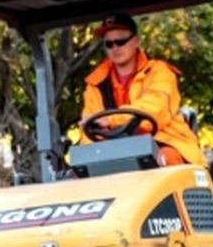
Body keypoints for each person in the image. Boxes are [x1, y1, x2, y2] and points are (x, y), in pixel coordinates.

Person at [80, 14, 205, 166]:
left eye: (120, 41)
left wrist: (111, 120)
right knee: (78, 174)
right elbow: (90, 127)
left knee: (164, 160)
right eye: (109, 44)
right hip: (116, 150)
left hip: (164, 141)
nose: (115, 48)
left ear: (136, 41)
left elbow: (154, 110)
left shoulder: (159, 71)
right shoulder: (95, 83)